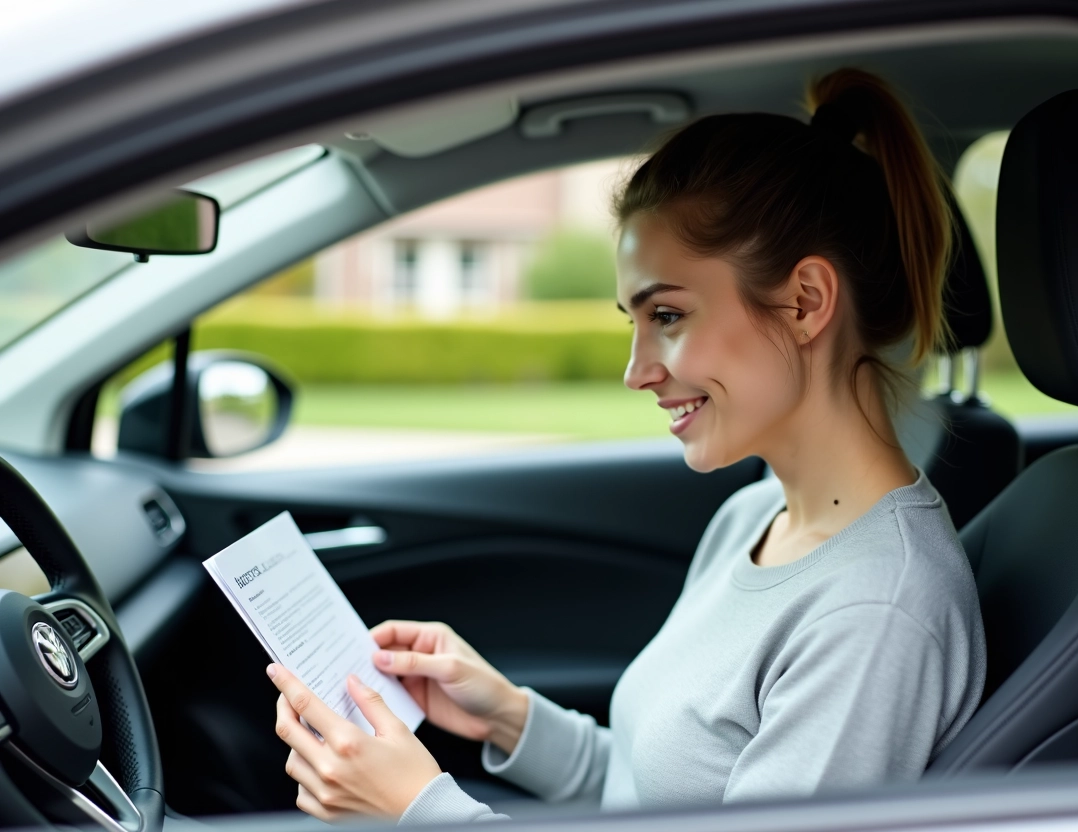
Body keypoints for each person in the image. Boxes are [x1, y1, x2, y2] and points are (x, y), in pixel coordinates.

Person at [264, 67, 986, 825]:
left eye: (668, 315)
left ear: (805, 302)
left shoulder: (875, 610)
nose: (636, 371)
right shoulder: (755, 516)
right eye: (632, 321)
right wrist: (509, 716)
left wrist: (415, 809)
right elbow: (653, 792)